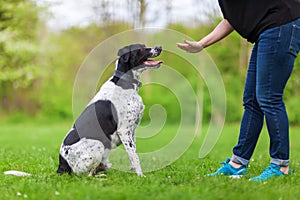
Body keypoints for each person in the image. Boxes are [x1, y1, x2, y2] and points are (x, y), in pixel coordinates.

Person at [177, 0, 300, 182]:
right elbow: (231, 20)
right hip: (268, 31)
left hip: (281, 25)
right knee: (252, 101)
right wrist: (201, 44)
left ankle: (280, 165)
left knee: (268, 97)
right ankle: (238, 163)